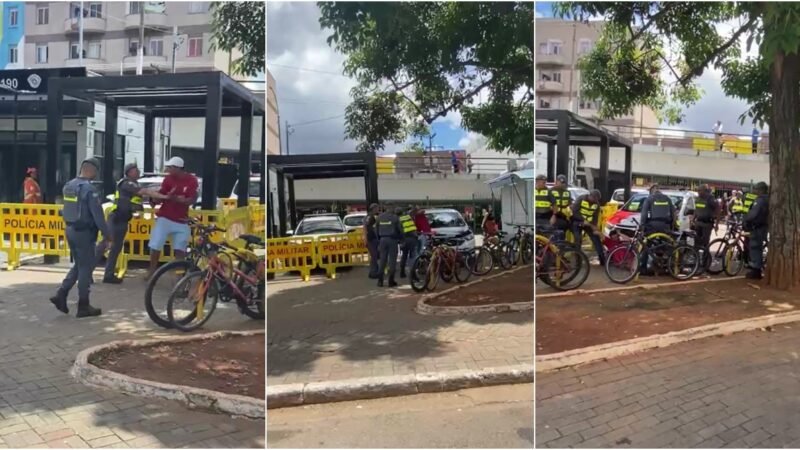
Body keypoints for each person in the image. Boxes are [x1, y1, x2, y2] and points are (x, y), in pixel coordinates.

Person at [49, 158, 108, 318]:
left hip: (70, 230)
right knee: (85, 268)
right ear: (91, 170)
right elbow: (97, 215)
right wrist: (108, 235)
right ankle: (83, 305)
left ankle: (61, 294)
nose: (96, 174)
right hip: (84, 232)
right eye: (96, 171)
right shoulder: (89, 189)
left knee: (80, 265)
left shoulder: (69, 186)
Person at [95, 163, 162, 284]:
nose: (138, 172)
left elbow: (141, 200)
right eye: (136, 170)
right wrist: (163, 194)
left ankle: (108, 275)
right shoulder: (126, 183)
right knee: (105, 245)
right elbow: (143, 191)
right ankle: (85, 272)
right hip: (115, 218)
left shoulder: (135, 184)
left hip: (123, 219)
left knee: (115, 248)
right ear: (129, 172)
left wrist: (153, 199)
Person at [146, 157, 199, 280]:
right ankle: (152, 271)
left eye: (170, 167)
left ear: (178, 168)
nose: (168, 170)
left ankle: (179, 276)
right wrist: (157, 198)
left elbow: (192, 199)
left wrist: (181, 200)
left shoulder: (192, 180)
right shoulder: (168, 179)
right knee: (155, 245)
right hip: (165, 218)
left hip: (181, 220)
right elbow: (161, 195)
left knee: (180, 250)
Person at [639, 184, 677, 275]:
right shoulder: (667, 199)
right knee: (667, 245)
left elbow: (644, 214)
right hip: (665, 226)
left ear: (651, 191)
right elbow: (673, 214)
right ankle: (669, 267)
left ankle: (643, 268)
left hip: (653, 226)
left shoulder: (649, 199)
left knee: (646, 245)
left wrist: (642, 226)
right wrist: (672, 226)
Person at [570, 189, 605, 263]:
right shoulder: (580, 199)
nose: (595, 200)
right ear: (590, 196)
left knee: (596, 239)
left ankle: (602, 259)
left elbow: (595, 217)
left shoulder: (596, 205)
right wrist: (583, 220)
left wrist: (594, 227)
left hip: (589, 224)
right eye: (594, 198)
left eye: (597, 199)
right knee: (578, 239)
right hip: (577, 222)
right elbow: (574, 212)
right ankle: (577, 261)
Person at [743, 182, 769, 279]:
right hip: (763, 226)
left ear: (761, 190)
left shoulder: (760, 200)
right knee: (758, 247)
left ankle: (756, 270)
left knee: (755, 247)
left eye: (756, 189)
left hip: (757, 227)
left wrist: (745, 219)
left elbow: (753, 213)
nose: (754, 191)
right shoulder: (768, 199)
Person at [376, 205, 403, 287]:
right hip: (392, 240)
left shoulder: (379, 217)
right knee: (392, 261)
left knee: (382, 260)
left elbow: (376, 230)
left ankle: (380, 281)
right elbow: (400, 229)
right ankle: (391, 281)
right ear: (391, 208)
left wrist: (379, 240)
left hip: (382, 240)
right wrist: (401, 239)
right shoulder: (395, 217)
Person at [692, 184, 719, 255]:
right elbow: (696, 209)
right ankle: (696, 258)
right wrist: (693, 219)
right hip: (698, 223)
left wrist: (716, 224)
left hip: (707, 224)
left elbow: (718, 211)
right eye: (698, 190)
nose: (698, 192)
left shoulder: (711, 199)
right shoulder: (698, 198)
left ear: (705, 191)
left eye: (700, 190)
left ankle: (706, 258)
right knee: (696, 242)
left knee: (705, 242)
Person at [398, 207, 419, 279]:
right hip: (412, 239)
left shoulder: (398, 219)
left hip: (403, 240)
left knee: (404, 255)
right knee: (413, 256)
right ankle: (413, 274)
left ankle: (402, 272)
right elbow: (412, 228)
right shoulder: (408, 217)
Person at [364, 203, 381, 279]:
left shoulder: (370, 217)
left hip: (372, 239)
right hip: (371, 239)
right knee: (374, 256)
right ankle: (373, 272)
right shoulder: (370, 217)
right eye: (377, 208)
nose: (378, 210)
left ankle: (374, 271)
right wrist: (366, 239)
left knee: (375, 256)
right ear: (373, 209)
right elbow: (368, 228)